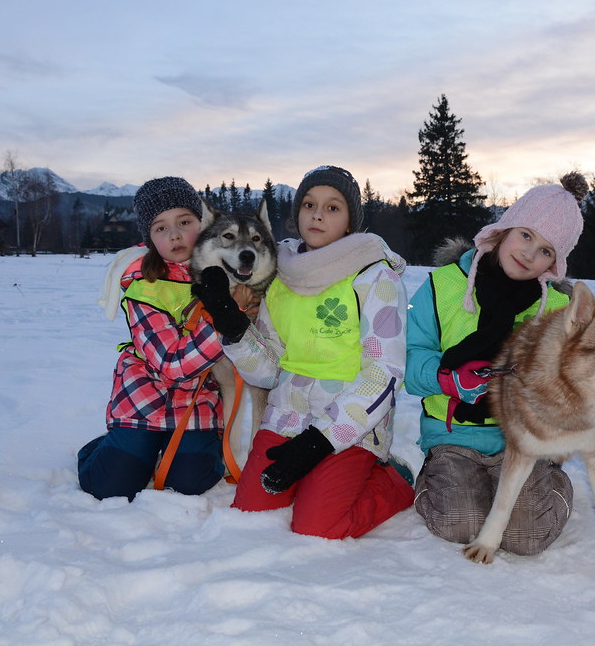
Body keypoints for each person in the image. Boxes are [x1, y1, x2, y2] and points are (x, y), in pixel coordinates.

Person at [194, 165, 413, 539]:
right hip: (286, 416)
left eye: (332, 208)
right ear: (296, 215)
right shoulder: (282, 277)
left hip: (350, 425)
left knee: (317, 525)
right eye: (309, 204)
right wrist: (231, 324)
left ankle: (396, 479)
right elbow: (266, 371)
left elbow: (384, 374)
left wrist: (320, 442)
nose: (317, 214)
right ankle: (321, 477)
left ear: (350, 222)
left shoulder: (375, 277)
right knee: (250, 510)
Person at [405, 172, 588, 555]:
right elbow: (408, 359)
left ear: (555, 264)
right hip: (453, 436)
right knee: (461, 525)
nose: (529, 254)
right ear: (504, 229)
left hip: (522, 443)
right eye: (526, 235)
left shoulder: (559, 311)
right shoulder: (443, 286)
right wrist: (448, 378)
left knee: (525, 538)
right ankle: (436, 477)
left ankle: (550, 481)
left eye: (546, 251)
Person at [78, 176, 253, 501]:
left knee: (191, 480)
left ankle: (173, 449)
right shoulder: (145, 287)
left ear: (202, 224)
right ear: (149, 238)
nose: (174, 234)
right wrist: (224, 320)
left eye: (184, 222)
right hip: (143, 398)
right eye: (160, 228)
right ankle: (110, 445)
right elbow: (171, 364)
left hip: (197, 402)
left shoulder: (229, 272)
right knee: (110, 485)